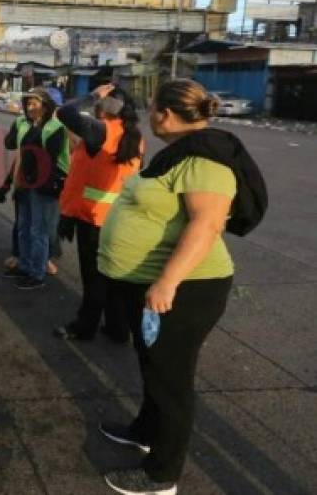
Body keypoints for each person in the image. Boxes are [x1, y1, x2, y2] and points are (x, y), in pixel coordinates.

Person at [97, 79, 267, 495]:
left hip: (187, 287)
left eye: (152, 107)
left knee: (171, 381)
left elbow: (206, 224)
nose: (149, 114)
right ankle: (144, 429)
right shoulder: (184, 153)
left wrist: (167, 282)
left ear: (166, 114)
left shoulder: (206, 160)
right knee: (153, 366)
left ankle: (161, 475)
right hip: (154, 284)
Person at [53, 83, 144, 342]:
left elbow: (65, 112)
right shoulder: (133, 135)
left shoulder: (100, 131)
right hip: (120, 217)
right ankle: (118, 327)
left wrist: (93, 95)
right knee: (114, 276)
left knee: (94, 277)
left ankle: (84, 326)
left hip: (93, 220)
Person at [4, 87, 70, 290]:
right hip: (26, 182)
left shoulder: (55, 127)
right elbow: (11, 146)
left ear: (46, 106)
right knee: (24, 228)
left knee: (38, 231)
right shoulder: (23, 123)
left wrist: (34, 129)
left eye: (34, 104)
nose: (30, 108)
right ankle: (24, 266)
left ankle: (37, 273)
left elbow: (45, 158)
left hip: (45, 184)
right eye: (28, 104)